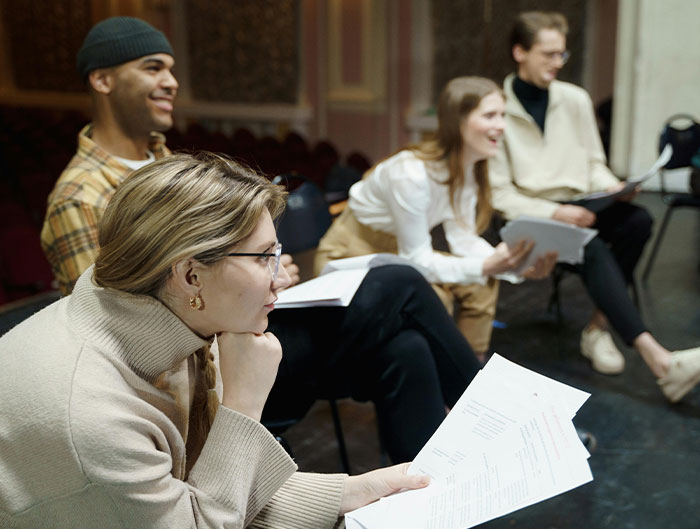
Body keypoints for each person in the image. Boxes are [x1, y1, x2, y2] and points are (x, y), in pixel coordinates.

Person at [40, 16, 485, 463]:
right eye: (153, 68)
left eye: (172, 69)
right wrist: (244, 282)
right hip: (210, 368)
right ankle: (496, 418)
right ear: (103, 80)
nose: (172, 82)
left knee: (406, 349)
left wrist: (259, 270)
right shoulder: (80, 197)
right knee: (399, 282)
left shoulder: (167, 162)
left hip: (244, 322)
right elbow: (118, 332)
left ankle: (429, 489)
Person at [0, 152, 433, 528]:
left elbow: (211, 495)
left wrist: (355, 490)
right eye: (263, 257)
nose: (281, 278)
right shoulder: (95, 416)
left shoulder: (172, 317)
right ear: (191, 276)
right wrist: (243, 405)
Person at [488, 11, 700, 401]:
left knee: (637, 220)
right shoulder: (496, 110)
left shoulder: (575, 100)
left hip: (582, 203)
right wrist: (556, 213)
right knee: (591, 244)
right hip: (533, 215)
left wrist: (612, 187)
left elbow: (593, 163)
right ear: (520, 52)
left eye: (562, 55)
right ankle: (660, 361)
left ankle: (597, 328)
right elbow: (500, 196)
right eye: (548, 54)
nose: (557, 63)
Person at [314, 76, 557, 362]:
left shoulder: (468, 168)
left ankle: (469, 375)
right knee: (436, 299)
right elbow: (417, 260)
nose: (502, 125)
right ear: (457, 121)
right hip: (352, 254)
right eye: (490, 115)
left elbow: (463, 239)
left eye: (503, 115)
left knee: (483, 283)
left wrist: (514, 265)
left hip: (397, 254)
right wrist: (488, 265)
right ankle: (440, 379)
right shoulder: (410, 173)